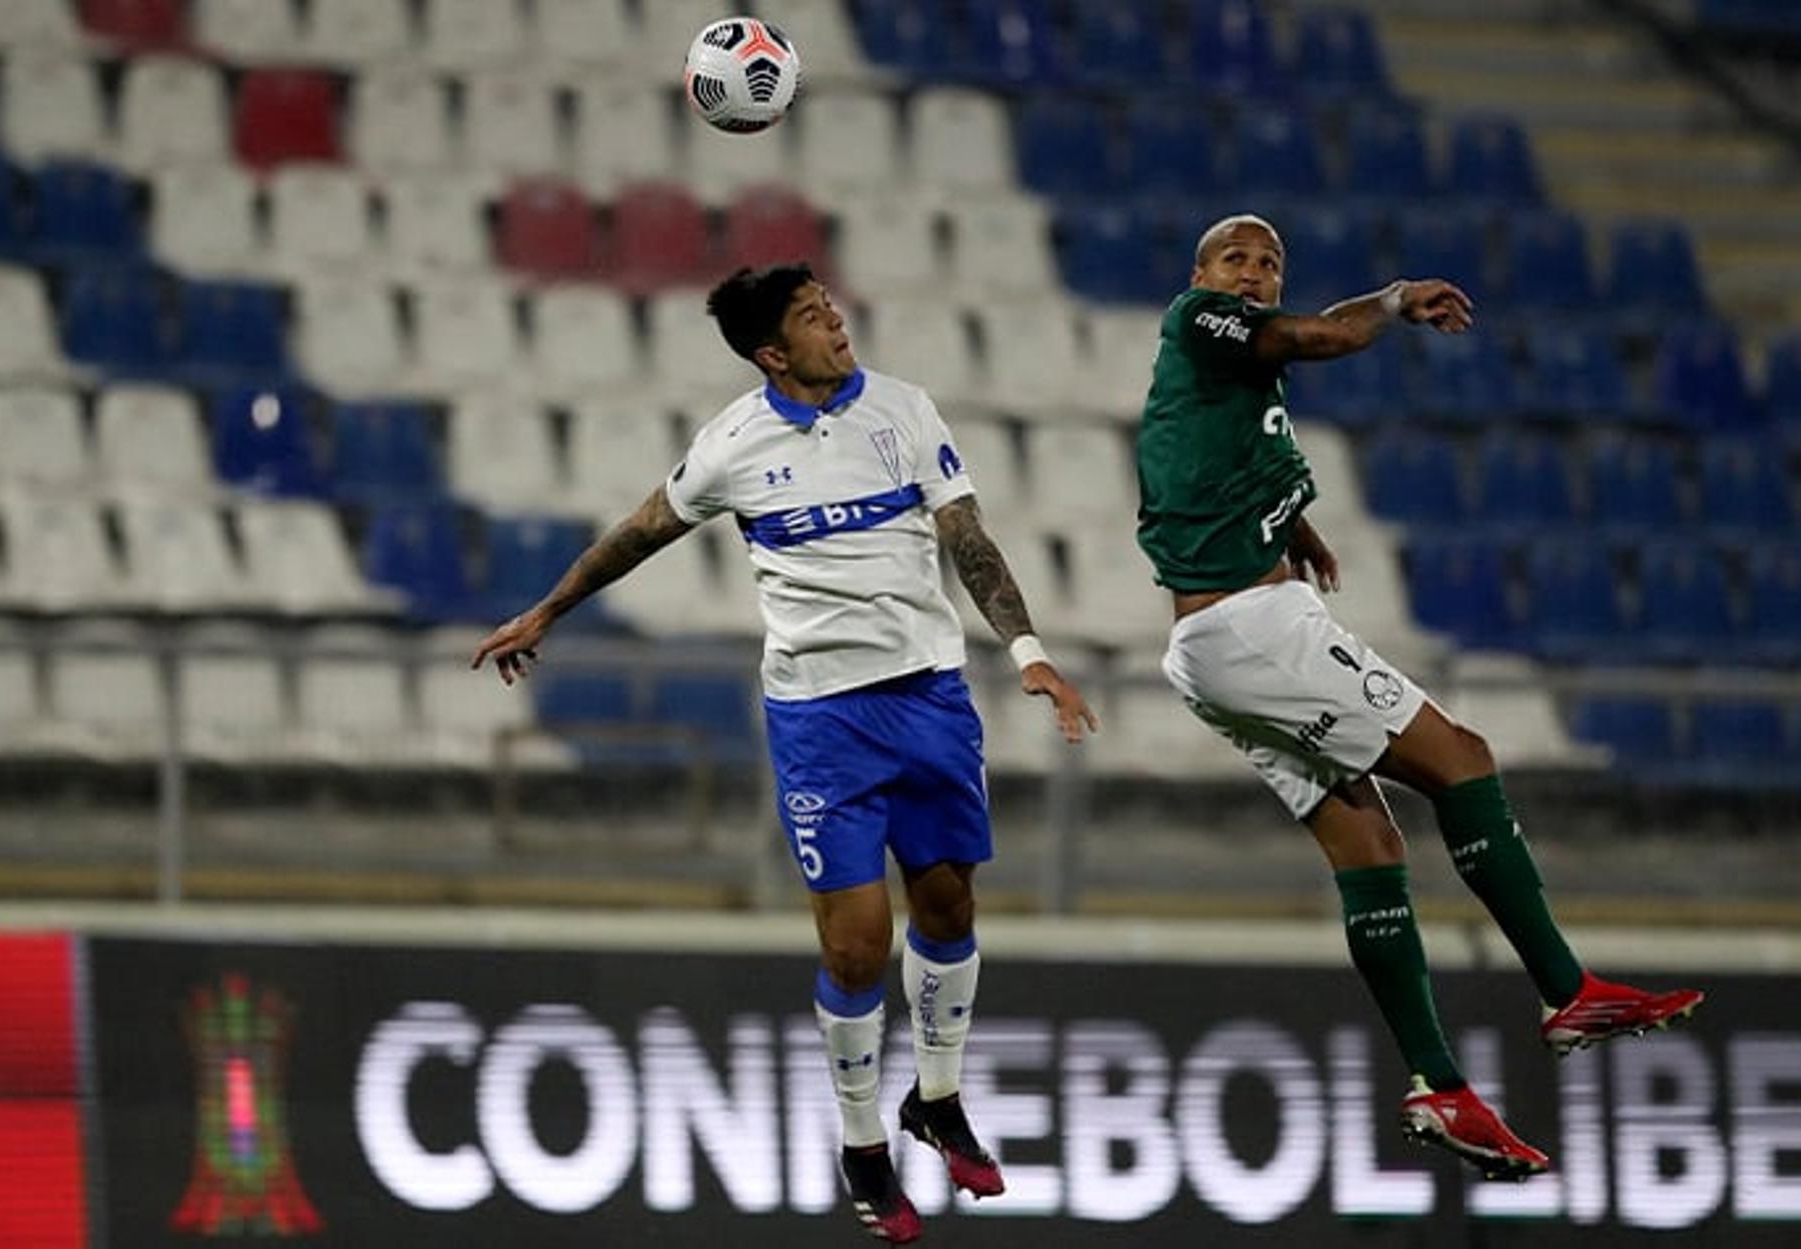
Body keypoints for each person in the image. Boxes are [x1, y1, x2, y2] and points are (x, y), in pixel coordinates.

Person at [473, 263, 1097, 1242]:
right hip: (821, 719)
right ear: (772, 352)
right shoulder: (733, 445)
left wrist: (1031, 654)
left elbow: (966, 536)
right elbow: (642, 531)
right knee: (857, 944)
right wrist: (548, 608)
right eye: (812, 317)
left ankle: (936, 1097)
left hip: (931, 694)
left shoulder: (904, 408)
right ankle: (862, 1148)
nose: (836, 321)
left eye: (830, 305)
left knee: (948, 904)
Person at [1134, 215, 1704, 1180]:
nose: (1256, 272)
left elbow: (1215, 453)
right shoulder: (1201, 320)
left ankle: (1438, 1084)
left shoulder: (1227, 375)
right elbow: (1317, 337)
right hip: (1254, 631)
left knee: (1372, 842)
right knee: (1463, 759)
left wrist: (1294, 529)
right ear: (1200, 274)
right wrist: (1393, 300)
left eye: (1271, 261)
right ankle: (1567, 992)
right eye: (1237, 256)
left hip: (1211, 644)